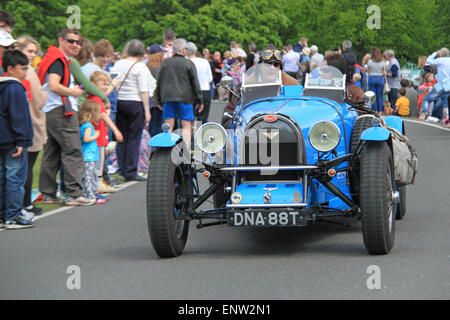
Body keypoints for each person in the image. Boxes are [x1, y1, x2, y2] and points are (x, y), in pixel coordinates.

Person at [37, 28, 92, 206]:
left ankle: (48, 193)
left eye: (78, 42)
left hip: (52, 110)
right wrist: (74, 92)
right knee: (73, 150)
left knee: (51, 153)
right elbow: (53, 85)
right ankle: (74, 194)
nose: (75, 45)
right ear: (61, 40)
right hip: (61, 110)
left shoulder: (54, 57)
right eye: (71, 41)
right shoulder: (58, 60)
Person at [0, 50, 34, 229]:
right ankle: (13, 216)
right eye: (23, 68)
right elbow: (19, 117)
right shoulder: (15, 87)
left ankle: (2, 215)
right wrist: (22, 140)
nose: (25, 73)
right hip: (13, 141)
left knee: (2, 178)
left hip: (2, 139)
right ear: (10, 68)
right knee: (14, 178)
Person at [16, 36, 49, 216]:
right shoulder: (28, 72)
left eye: (35, 52)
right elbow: (39, 99)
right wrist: (44, 94)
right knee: (27, 166)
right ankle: (25, 203)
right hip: (32, 123)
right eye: (29, 51)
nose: (32, 55)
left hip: (27, 122)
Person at [110, 39, 151, 182]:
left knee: (122, 137)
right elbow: (143, 90)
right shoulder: (140, 67)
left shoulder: (117, 64)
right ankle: (131, 170)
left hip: (120, 102)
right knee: (134, 138)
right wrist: (147, 111)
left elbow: (112, 83)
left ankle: (121, 168)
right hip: (135, 103)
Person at [155, 38, 203, 149]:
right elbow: (195, 83)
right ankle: (184, 152)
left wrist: (158, 99)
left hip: (168, 98)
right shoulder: (188, 63)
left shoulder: (165, 63)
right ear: (183, 50)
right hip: (185, 98)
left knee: (168, 126)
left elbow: (159, 82)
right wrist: (199, 100)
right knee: (186, 126)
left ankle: (167, 150)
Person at [88, 71, 123, 193]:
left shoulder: (96, 99)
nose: (106, 87)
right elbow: (103, 115)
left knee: (99, 161)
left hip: (99, 136)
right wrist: (116, 130)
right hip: (98, 137)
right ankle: (97, 184)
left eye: (107, 84)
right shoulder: (96, 99)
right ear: (94, 84)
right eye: (103, 84)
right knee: (98, 162)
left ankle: (98, 183)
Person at [78, 100, 102, 205]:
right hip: (89, 155)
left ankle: (86, 193)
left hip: (88, 154)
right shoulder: (88, 126)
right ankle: (90, 194)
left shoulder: (83, 125)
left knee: (87, 175)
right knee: (88, 175)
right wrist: (95, 136)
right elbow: (86, 139)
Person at [187, 42, 213, 124]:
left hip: (191, 92)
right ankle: (200, 135)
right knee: (202, 119)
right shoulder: (205, 61)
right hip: (205, 90)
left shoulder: (187, 62)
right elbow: (210, 79)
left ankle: (189, 135)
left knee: (189, 119)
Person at [146, 44, 165, 137]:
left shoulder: (146, 67)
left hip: (147, 99)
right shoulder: (159, 69)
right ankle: (155, 148)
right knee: (157, 125)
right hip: (157, 100)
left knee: (151, 124)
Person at [366, 48, 385, 112]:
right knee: (379, 95)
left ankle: (374, 110)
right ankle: (380, 110)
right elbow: (383, 72)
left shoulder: (370, 62)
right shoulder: (382, 62)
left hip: (372, 77)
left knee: (373, 96)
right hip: (379, 78)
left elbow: (368, 71)